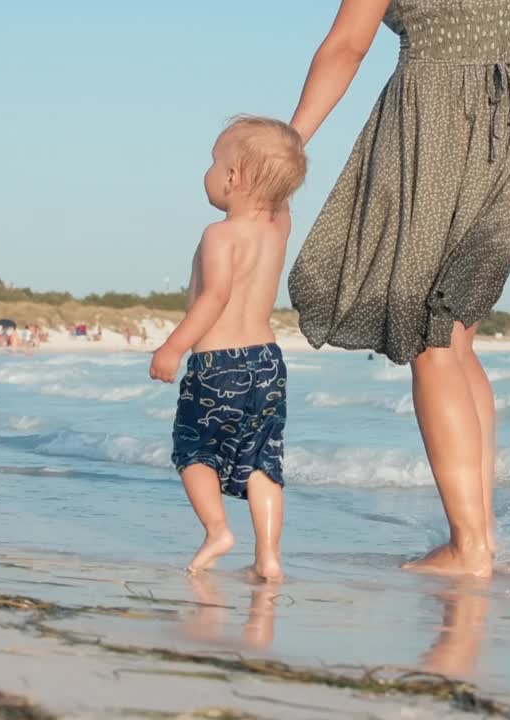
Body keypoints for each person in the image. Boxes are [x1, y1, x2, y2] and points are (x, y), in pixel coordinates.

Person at [286, 0, 510, 577]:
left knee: (430, 341)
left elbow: (347, 46)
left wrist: (292, 138)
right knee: (456, 339)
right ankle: (482, 533)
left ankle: (469, 548)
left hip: (432, 129)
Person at [149, 116, 307, 581]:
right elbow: (280, 196)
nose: (210, 171)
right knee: (261, 457)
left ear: (234, 178)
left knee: (194, 450)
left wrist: (173, 348)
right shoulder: (278, 229)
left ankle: (218, 530)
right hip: (267, 363)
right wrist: (283, 162)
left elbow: (214, 297)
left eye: (214, 162)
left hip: (217, 365)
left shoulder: (219, 235)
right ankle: (270, 557)